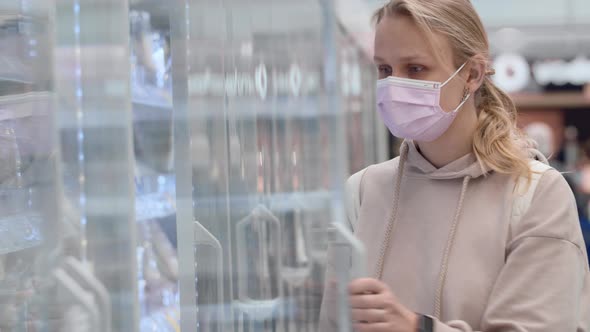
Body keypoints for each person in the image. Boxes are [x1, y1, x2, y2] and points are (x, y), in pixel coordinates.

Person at [319, 0, 590, 331]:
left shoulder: (536, 193)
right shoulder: (363, 190)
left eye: (415, 68)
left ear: (472, 74)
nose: (394, 86)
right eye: (384, 70)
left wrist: (418, 328)